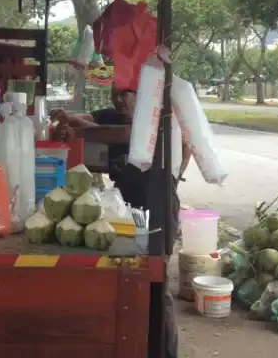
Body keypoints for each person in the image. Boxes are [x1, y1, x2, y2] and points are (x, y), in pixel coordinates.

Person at [50, 84, 191, 358]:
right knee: (132, 274)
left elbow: (133, 135)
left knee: (155, 277)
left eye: (127, 96)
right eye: (117, 96)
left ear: (143, 94)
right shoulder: (113, 114)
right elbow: (93, 120)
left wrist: (173, 179)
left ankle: (163, 351)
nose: (121, 101)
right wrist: (70, 118)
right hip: (128, 206)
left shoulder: (156, 116)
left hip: (155, 204)